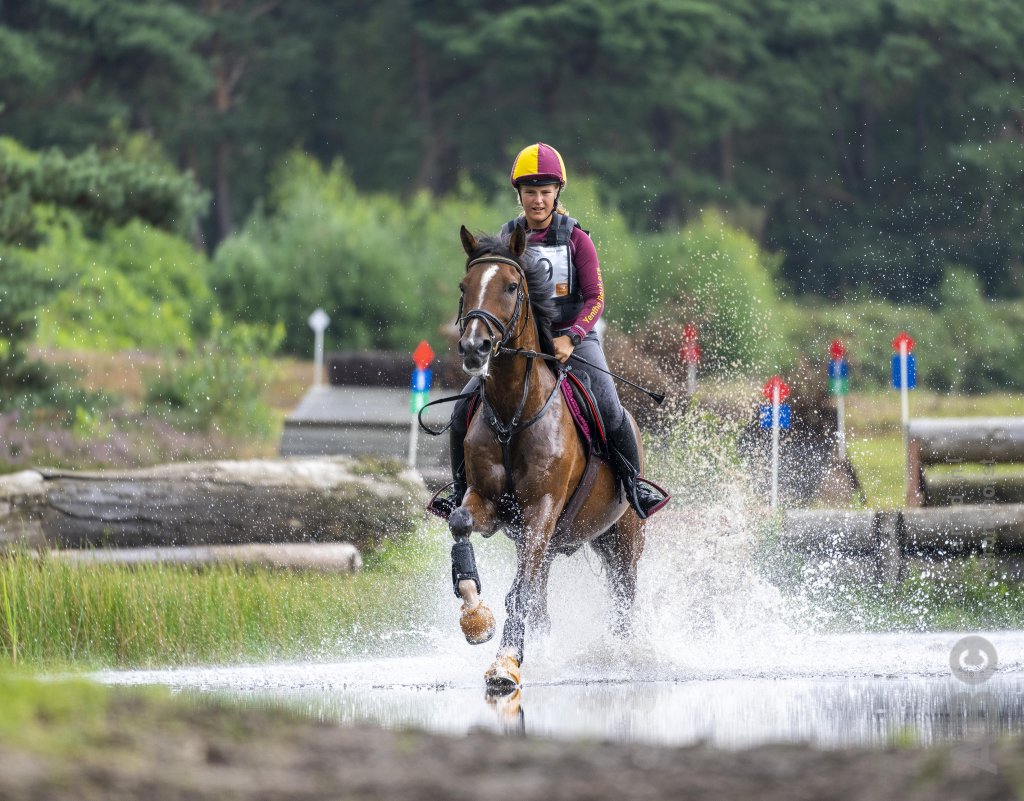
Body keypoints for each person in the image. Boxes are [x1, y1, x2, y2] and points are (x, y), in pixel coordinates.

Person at [430, 142, 668, 520]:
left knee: (608, 406)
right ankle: (459, 492)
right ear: (519, 195)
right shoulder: (504, 242)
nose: (537, 200)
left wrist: (571, 337)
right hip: (519, 343)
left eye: (544, 192)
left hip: (574, 338)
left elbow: (595, 299)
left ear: (557, 193)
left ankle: (633, 484)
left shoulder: (577, 240)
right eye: (530, 192)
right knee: (463, 408)